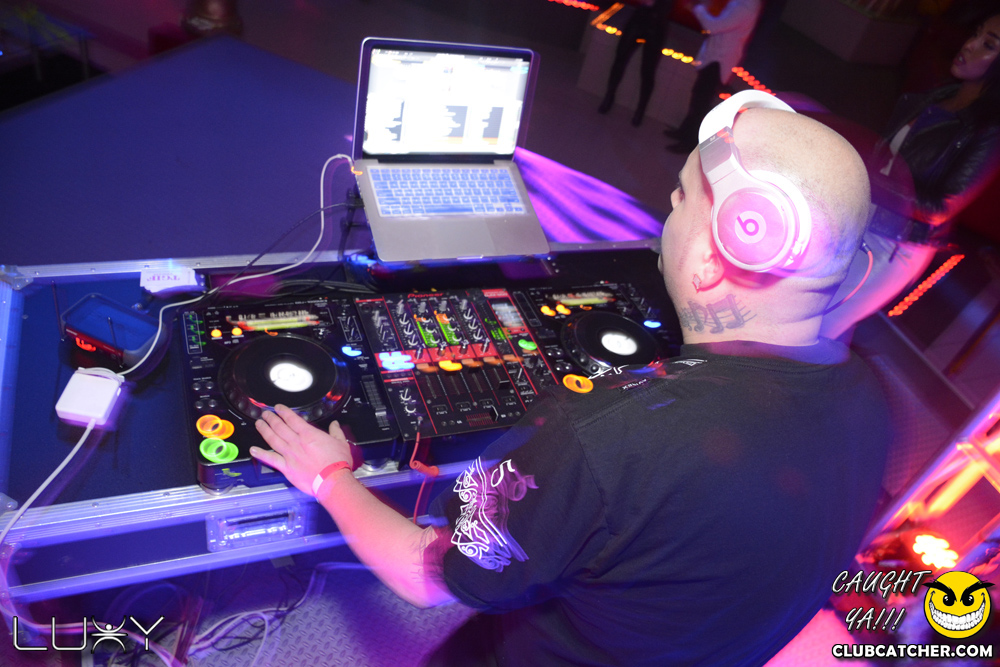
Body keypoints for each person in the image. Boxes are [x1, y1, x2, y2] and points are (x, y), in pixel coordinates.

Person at [250, 92, 890, 665]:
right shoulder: (872, 394)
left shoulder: (604, 435)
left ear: (717, 256)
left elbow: (425, 574)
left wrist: (329, 477)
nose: (669, 209)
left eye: (680, 197)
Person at [821, 11, 1000, 341]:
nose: (969, 44)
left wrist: (862, 174)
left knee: (817, 329)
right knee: (804, 319)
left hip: (892, 245)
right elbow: (886, 157)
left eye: (988, 45)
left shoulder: (989, 129)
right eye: (975, 33)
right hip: (863, 219)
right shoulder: (938, 96)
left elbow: (939, 208)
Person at [665, 0, 761, 152]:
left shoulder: (746, 6)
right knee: (698, 98)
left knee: (701, 102)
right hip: (717, 57)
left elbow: (713, 26)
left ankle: (690, 142)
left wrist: (698, 8)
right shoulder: (743, 3)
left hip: (720, 60)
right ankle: (684, 133)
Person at [597, 0, 676, 126]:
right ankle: (610, 96)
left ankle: (639, 109)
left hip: (658, 20)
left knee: (647, 71)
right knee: (621, 59)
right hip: (643, 17)